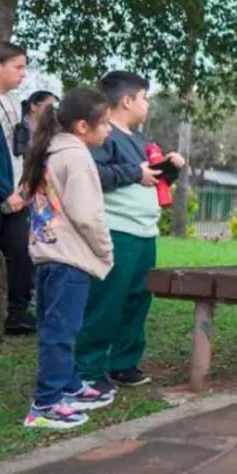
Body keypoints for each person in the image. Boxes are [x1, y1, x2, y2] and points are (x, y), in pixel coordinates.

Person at [75, 71, 184, 390]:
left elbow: (146, 178)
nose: (147, 104)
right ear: (127, 100)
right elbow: (93, 174)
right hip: (116, 231)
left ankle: (123, 363)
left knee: (137, 298)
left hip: (144, 231)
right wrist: (134, 173)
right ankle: (89, 367)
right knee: (106, 299)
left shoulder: (138, 139)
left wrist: (169, 170)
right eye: (145, 98)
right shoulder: (103, 136)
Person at [21, 88, 117, 429]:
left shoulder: (49, 150)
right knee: (60, 332)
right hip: (68, 260)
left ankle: (69, 386)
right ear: (81, 126)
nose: (108, 129)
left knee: (57, 327)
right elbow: (87, 215)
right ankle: (45, 405)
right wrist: (106, 251)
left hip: (48, 256)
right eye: (104, 123)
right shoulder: (76, 157)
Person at [0, 42, 35, 337]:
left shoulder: (11, 103)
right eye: (18, 66)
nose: (23, 73)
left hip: (17, 195)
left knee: (23, 251)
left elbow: (17, 150)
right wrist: (2, 193)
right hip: (2, 194)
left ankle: (18, 315)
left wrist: (24, 185)